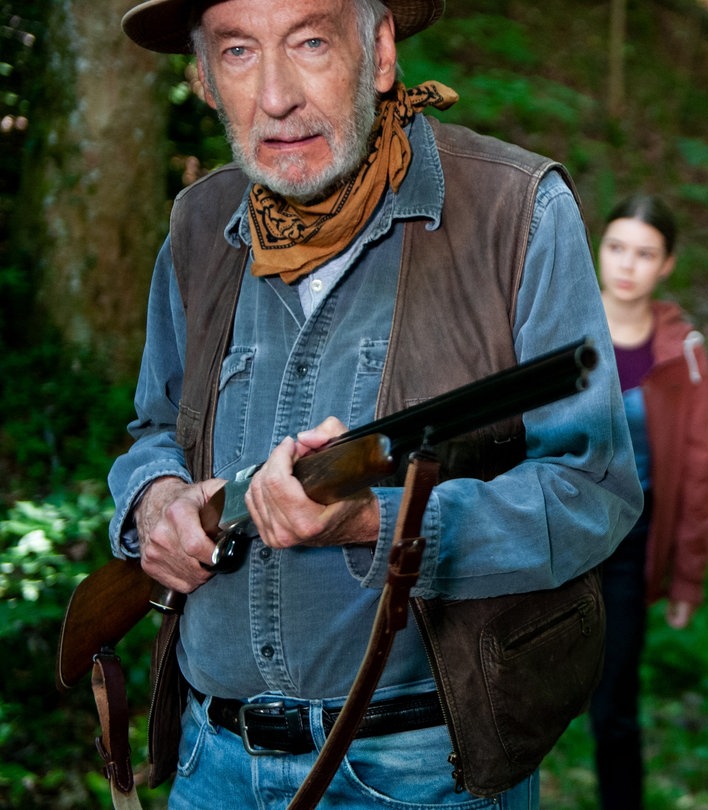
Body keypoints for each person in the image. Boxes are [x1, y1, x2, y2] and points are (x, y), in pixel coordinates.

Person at [107, 0, 642, 807]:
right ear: (207, 79)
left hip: (426, 773)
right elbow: (153, 430)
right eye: (240, 51)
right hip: (207, 762)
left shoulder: (518, 210)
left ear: (381, 50)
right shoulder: (198, 222)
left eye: (310, 41)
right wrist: (155, 503)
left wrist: (374, 521)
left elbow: (590, 495)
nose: (277, 95)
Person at [589, 194, 708, 809]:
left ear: (666, 265)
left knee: (614, 703)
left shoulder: (682, 353)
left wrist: (688, 579)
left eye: (645, 254)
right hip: (545, 535)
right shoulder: (554, 323)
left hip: (627, 548)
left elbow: (697, 472)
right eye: (616, 247)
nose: (626, 265)